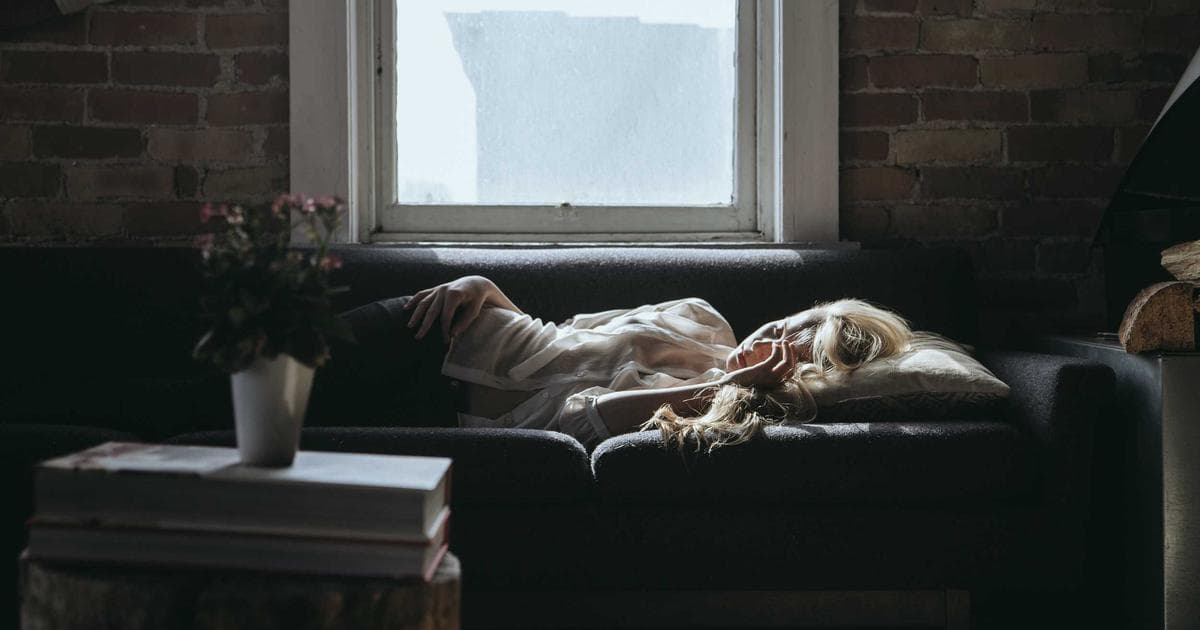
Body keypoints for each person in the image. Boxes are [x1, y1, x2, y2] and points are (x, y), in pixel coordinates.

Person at [385, 275, 913, 452]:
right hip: (438, 329)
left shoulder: (720, 412)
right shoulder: (700, 316)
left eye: (788, 352)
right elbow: (564, 333)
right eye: (782, 324)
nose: (770, 337)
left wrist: (733, 384)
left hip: (438, 419)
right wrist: (482, 287)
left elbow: (580, 418)